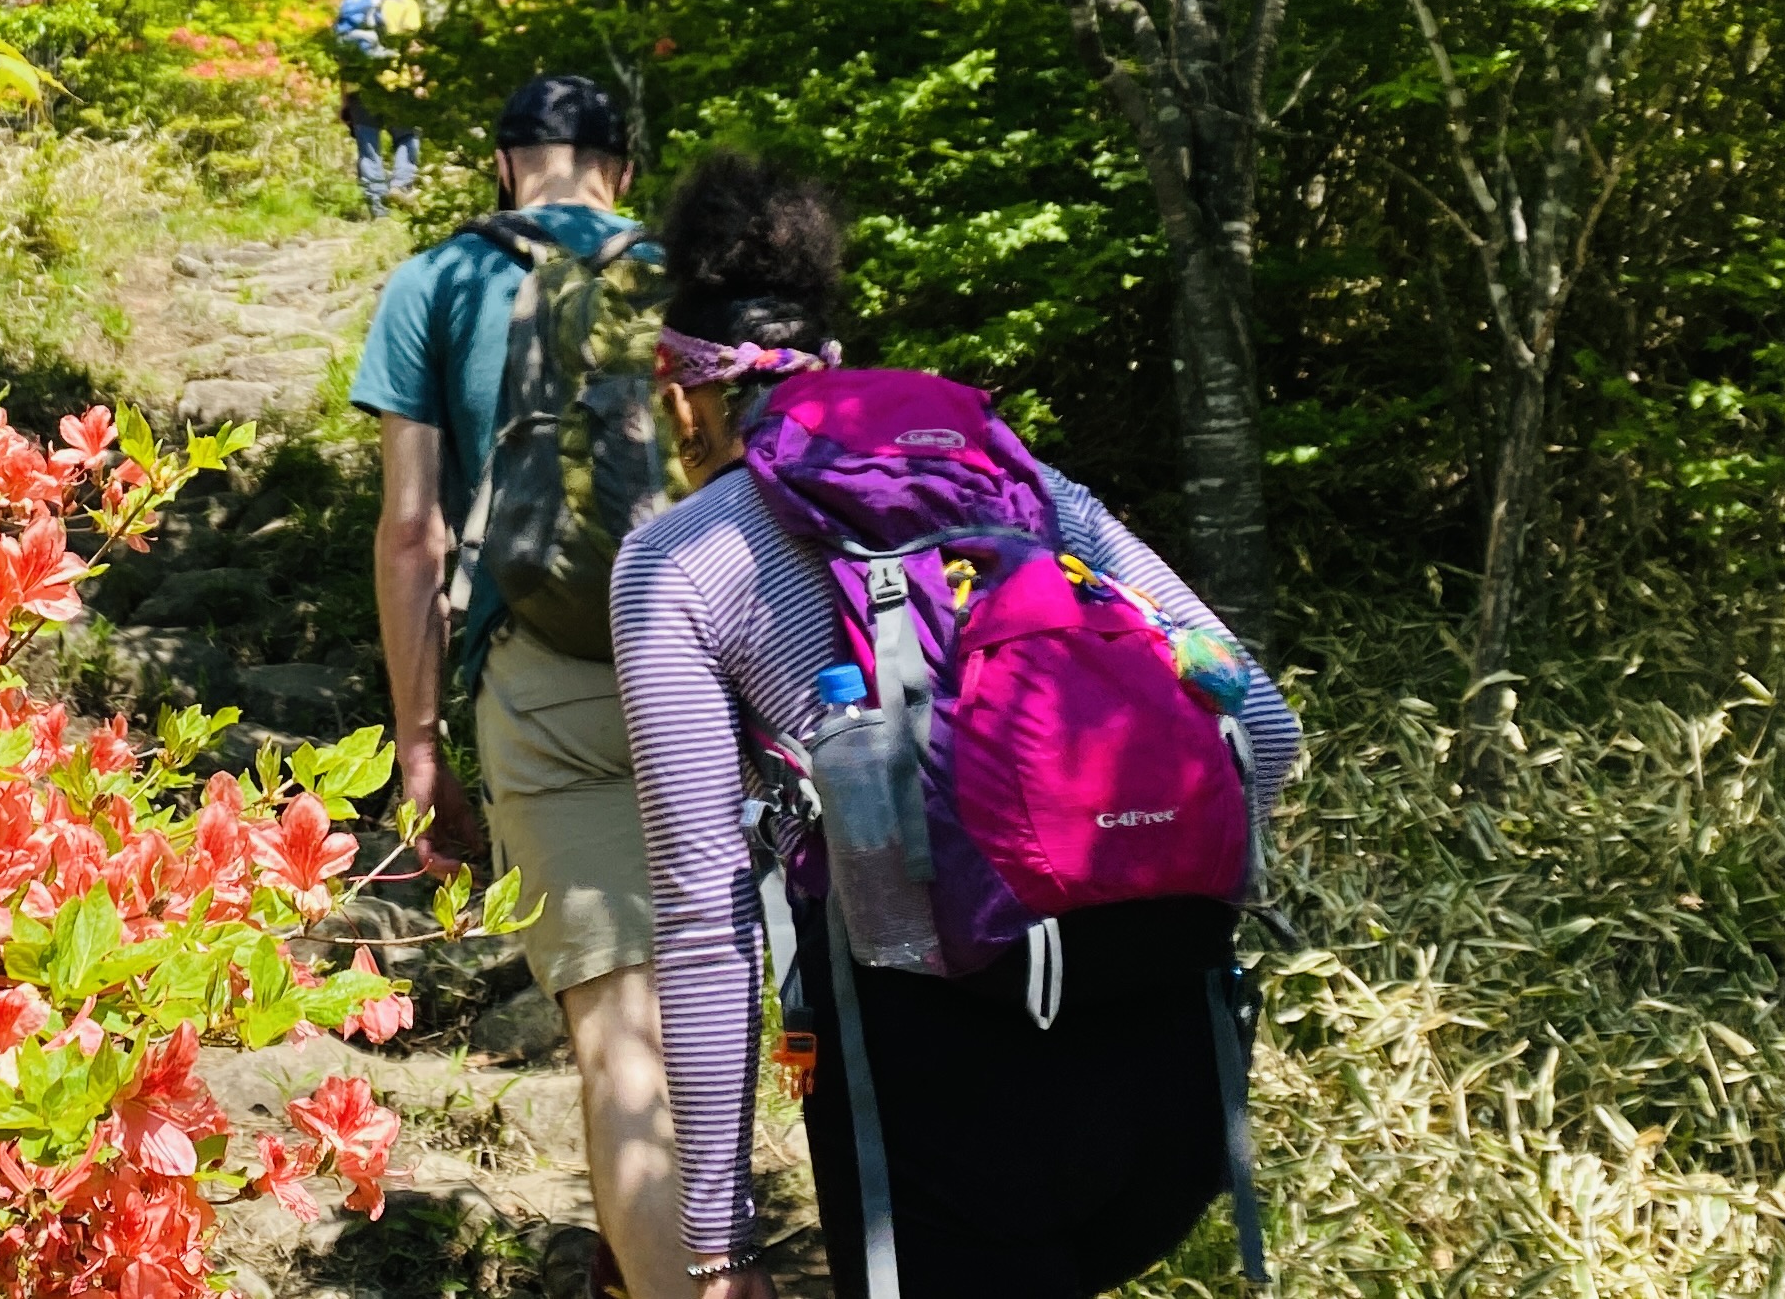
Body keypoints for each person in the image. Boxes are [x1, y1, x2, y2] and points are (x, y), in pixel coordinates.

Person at [609, 153, 1301, 1299]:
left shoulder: (676, 561)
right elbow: (1262, 728)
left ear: (680, 388)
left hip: (931, 1089)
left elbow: (701, 912)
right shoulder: (1029, 487)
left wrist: (719, 1237)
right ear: (836, 366)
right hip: (1172, 1062)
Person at [350, 72, 687, 1299]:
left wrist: (420, 742)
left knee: (617, 1037)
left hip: (542, 678)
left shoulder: (433, 281)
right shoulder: (692, 275)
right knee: (704, 1023)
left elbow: (412, 534)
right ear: (623, 170)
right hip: (711, 669)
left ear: (504, 165)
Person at [332, 0, 426, 217]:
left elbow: (343, 62)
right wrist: (419, 83)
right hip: (396, 85)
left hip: (359, 90)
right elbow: (412, 47)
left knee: (368, 149)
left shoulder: (352, 13)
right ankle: (401, 185)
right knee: (407, 135)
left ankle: (377, 209)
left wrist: (344, 101)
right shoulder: (405, 5)